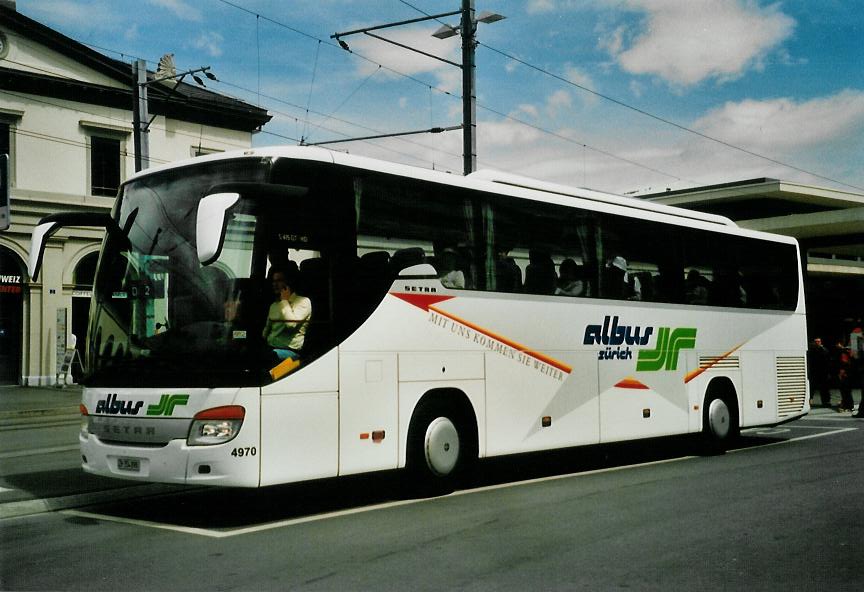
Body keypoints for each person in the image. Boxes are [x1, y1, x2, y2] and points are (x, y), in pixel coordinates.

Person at [262, 267, 311, 361]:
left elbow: (291, 325)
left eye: (279, 281)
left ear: (288, 283)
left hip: (290, 351)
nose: (275, 284)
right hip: (271, 347)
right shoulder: (274, 305)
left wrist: (285, 300)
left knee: (269, 357)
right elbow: (266, 331)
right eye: (273, 281)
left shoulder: (303, 301)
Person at [807, 337, 832, 407]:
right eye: (816, 342)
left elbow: (827, 361)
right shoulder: (812, 350)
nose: (817, 343)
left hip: (823, 372)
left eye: (818, 341)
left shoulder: (824, 350)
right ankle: (810, 400)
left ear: (821, 342)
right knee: (812, 387)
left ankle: (826, 402)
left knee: (824, 388)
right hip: (814, 371)